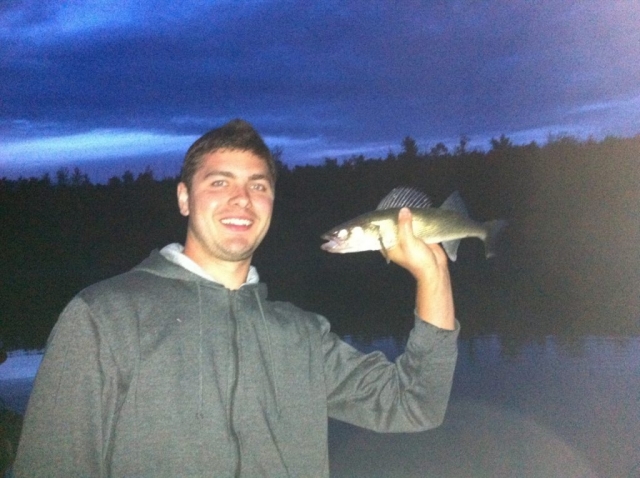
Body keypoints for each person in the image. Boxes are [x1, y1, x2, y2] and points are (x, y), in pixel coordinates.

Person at [14, 119, 459, 477]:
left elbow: (415, 403)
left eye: (259, 186)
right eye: (220, 183)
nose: (242, 199)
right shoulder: (103, 317)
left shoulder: (302, 336)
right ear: (184, 198)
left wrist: (433, 272)